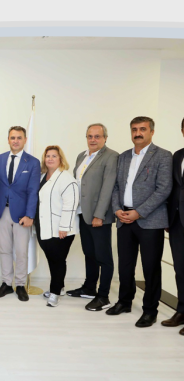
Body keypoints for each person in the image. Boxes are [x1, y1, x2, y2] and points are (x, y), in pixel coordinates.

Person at [108, 116, 172, 327]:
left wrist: (139, 212)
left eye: (142, 129)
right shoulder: (123, 157)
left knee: (150, 267)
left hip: (150, 221)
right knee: (125, 265)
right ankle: (124, 302)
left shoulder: (163, 156)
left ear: (151, 132)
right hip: (123, 218)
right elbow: (116, 187)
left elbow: (163, 189)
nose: (138, 133)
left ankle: (150, 311)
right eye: (134, 129)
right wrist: (117, 209)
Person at [66, 123, 118, 311]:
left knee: (103, 257)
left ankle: (103, 296)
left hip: (98, 216)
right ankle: (89, 288)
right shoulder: (82, 156)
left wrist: (99, 215)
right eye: (90, 136)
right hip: (82, 213)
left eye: (97, 136)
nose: (93, 140)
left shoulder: (111, 156)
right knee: (89, 253)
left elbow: (108, 188)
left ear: (105, 138)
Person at [0, 126, 41, 302]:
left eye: (19, 138)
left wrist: (30, 215)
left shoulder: (33, 162)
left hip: (22, 215)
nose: (15, 141)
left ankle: (20, 284)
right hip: (1, 211)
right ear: (8, 139)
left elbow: (33, 190)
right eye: (12, 137)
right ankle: (6, 283)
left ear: (25, 140)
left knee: (21, 251)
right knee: (4, 250)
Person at [36, 145, 79, 308]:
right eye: (48, 156)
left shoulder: (66, 178)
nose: (50, 159)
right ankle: (59, 287)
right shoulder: (43, 176)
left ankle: (55, 293)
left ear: (61, 159)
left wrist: (64, 227)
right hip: (44, 225)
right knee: (51, 258)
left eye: (54, 156)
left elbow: (71, 204)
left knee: (58, 260)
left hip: (60, 228)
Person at [162, 118, 184, 334]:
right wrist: (169, 218)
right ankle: (182, 310)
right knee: (180, 269)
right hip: (177, 222)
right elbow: (172, 189)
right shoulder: (177, 155)